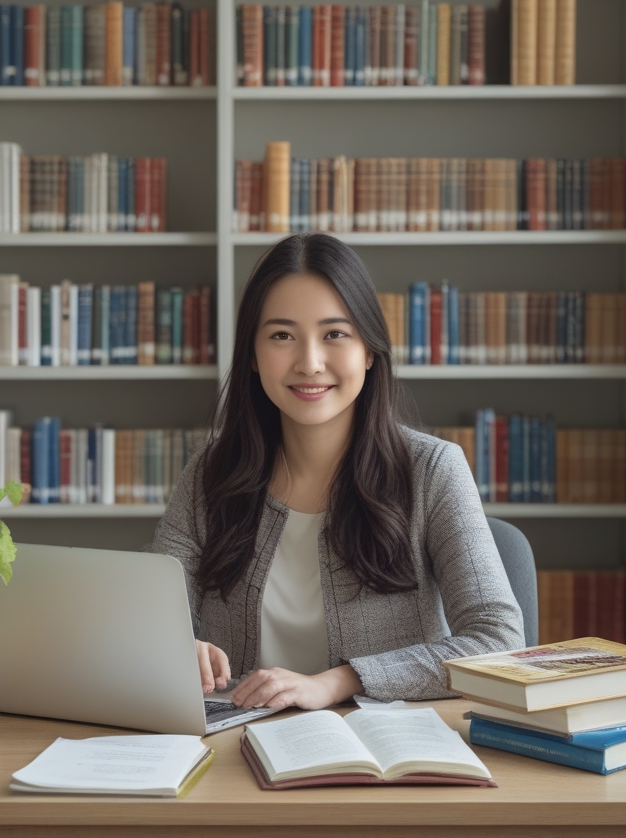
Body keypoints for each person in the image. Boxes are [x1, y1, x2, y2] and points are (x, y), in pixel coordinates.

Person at [151, 233, 524, 711]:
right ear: (252, 355)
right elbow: (154, 615)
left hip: (378, 752)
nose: (309, 363)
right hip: (231, 745)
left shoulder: (432, 470)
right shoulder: (212, 471)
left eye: (335, 334)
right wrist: (177, 645)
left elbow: (499, 640)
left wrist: (341, 681)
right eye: (282, 336)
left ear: (369, 351)